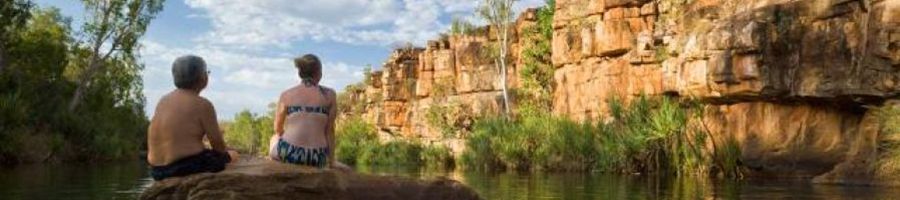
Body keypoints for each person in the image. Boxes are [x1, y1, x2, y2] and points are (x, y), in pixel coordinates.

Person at [146, 55, 232, 181]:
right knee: (231, 156)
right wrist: (228, 155)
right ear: (203, 78)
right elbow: (217, 144)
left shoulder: (163, 101)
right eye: (207, 72)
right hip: (184, 167)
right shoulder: (203, 104)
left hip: (157, 170)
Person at [269, 54, 349, 171]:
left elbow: (277, 128)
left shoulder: (287, 95)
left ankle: (275, 167)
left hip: (290, 153)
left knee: (274, 138)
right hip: (318, 157)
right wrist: (332, 161)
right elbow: (329, 131)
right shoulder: (330, 95)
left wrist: (285, 135)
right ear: (319, 73)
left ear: (300, 73)